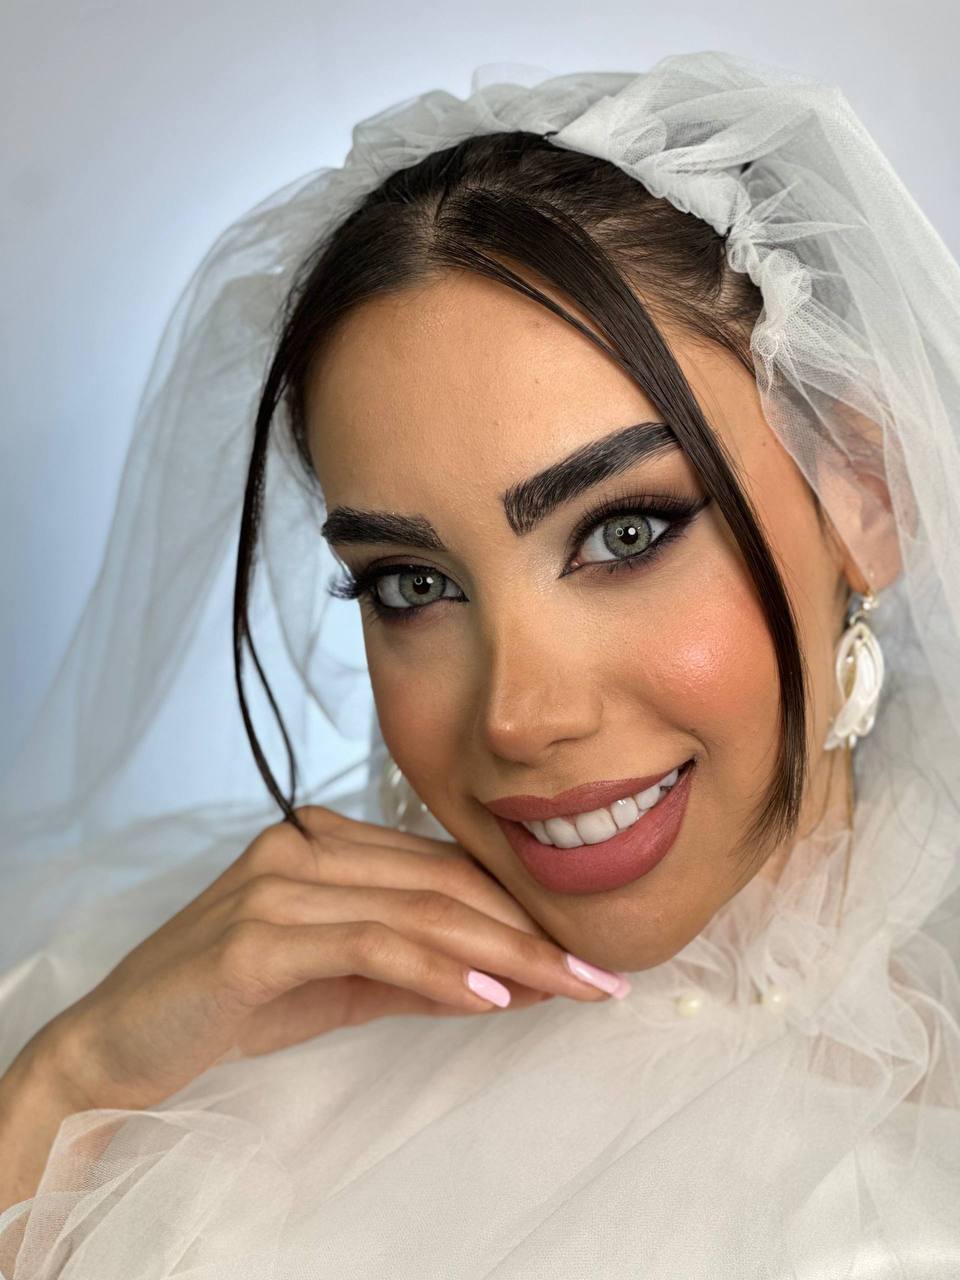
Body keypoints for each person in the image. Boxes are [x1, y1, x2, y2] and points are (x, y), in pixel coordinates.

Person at [1, 48, 958, 1278]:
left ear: (865, 493)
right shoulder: (204, 1079)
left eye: (625, 533)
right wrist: (66, 1084)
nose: (518, 717)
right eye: (413, 584)